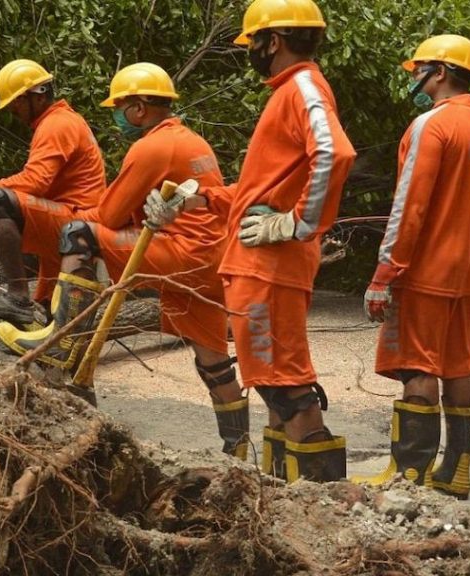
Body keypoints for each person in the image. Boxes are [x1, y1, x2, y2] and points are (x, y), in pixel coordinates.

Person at [0, 63, 248, 460]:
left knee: (79, 235)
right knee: (213, 363)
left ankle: (61, 340)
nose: (117, 116)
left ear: (139, 108)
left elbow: (109, 215)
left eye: (119, 108)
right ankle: (238, 447)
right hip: (209, 261)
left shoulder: (151, 147)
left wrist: (70, 217)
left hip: (179, 252)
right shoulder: (191, 141)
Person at [149, 0, 356, 482]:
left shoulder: (302, 87)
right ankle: (285, 495)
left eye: (254, 42)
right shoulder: (290, 91)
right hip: (259, 264)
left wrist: (298, 223)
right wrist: (197, 199)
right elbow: (259, 190)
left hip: (269, 266)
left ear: (273, 41)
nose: (251, 51)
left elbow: (334, 152)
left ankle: (323, 500)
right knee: (273, 384)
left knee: (285, 386)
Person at [353, 35, 470, 499]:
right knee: (458, 365)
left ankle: (408, 476)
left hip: (427, 272)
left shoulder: (432, 125)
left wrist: (385, 273)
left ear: (439, 72)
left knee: (418, 365)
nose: (415, 78)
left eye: (418, 69)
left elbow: (410, 205)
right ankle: (455, 471)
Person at [0, 59, 106, 326]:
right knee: (48, 312)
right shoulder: (61, 121)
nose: (14, 111)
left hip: (77, 222)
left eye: (16, 103)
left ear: (37, 96)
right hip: (70, 221)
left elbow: (35, 181)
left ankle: (17, 298)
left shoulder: (56, 124)